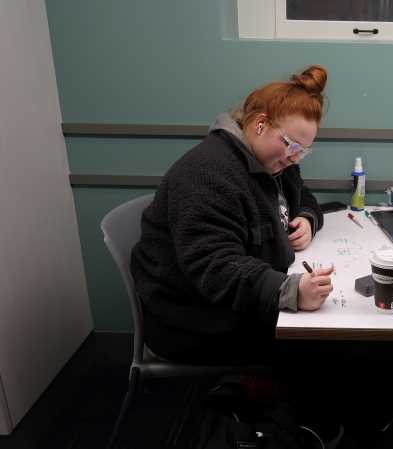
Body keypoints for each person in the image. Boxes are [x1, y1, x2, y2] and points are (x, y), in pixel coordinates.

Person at [131, 65, 333, 364]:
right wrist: (289, 290)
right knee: (325, 349)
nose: (294, 158)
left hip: (232, 302)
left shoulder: (273, 162)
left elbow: (302, 195)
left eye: (302, 151)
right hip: (193, 321)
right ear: (261, 124)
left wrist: (305, 218)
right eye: (291, 145)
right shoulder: (208, 174)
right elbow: (216, 267)